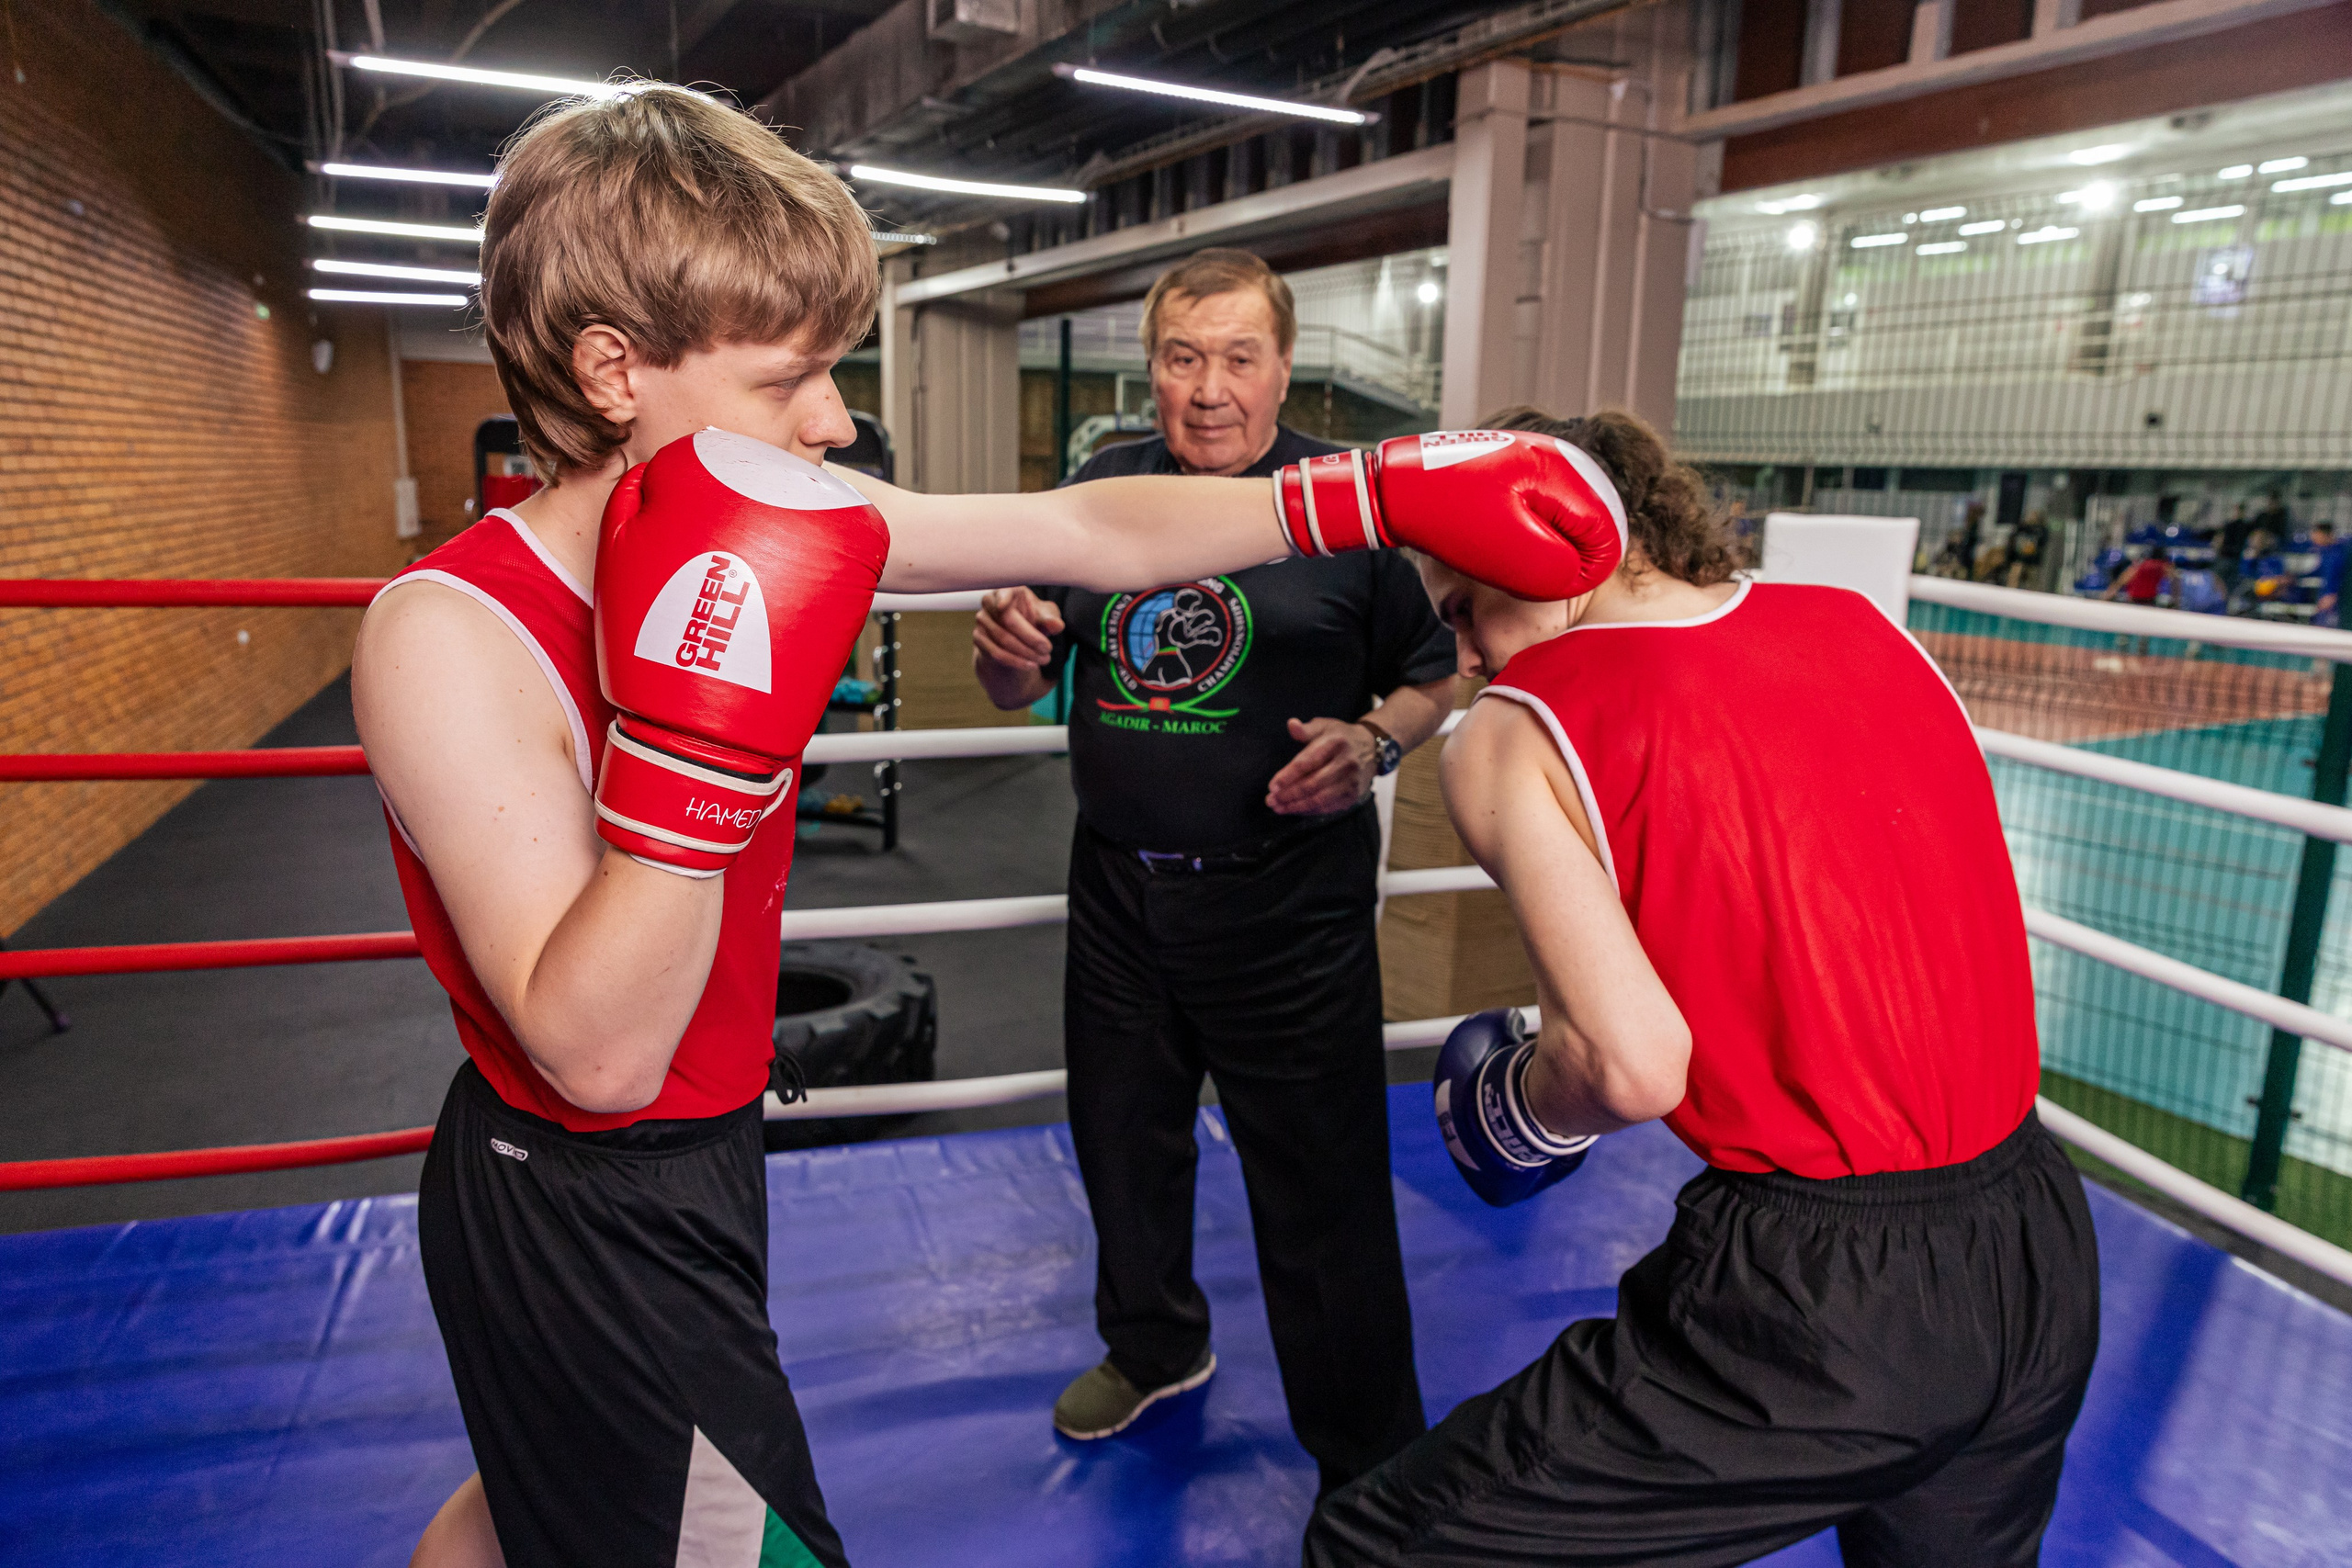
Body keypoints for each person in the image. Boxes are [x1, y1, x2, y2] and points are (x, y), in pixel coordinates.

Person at [353, 89, 1611, 1568]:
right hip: (581, 1206)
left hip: (703, 1161)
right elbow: (600, 1049)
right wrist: (696, 740)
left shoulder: (787, 508)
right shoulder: (452, 633)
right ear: (615, 369)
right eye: (789, 379)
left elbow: (1088, 534)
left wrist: (1371, 491)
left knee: (527, 1510)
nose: (832, 421)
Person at [1304, 406, 2099, 1568]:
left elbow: (1627, 1067)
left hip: (1818, 1306)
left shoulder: (1515, 725)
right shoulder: (1862, 628)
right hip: (2038, 1239)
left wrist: (1519, 1098)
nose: (1464, 655)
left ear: (1543, 547)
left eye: (1466, 607)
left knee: (1376, 1548)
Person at [971, 248, 1455, 1493]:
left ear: (1284, 369)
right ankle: (1156, 1345)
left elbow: (1432, 671)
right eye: (1184, 356)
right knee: (1123, 1137)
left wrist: (1375, 740)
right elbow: (1020, 679)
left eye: (1239, 356)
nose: (1209, 388)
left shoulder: (1346, 506)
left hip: (1288, 900)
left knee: (1321, 1182)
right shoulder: (1101, 488)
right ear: (1154, 366)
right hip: (1122, 886)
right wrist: (1011, 653)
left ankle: (1366, 1455)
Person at [2104, 550, 2172, 606]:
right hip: (2149, 599)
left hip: (2135, 598)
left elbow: (2124, 579)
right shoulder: (2162, 566)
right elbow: (2171, 576)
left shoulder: (2141, 565)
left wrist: (2111, 591)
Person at [2006, 508, 2050, 591]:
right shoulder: (2022, 527)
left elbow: (2043, 543)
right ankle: (2010, 591)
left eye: (2035, 516)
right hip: (2020, 557)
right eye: (2031, 515)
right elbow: (2014, 538)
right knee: (2014, 574)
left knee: (2032, 579)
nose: (2032, 517)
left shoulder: (2042, 530)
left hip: (2033, 559)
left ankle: (2031, 596)